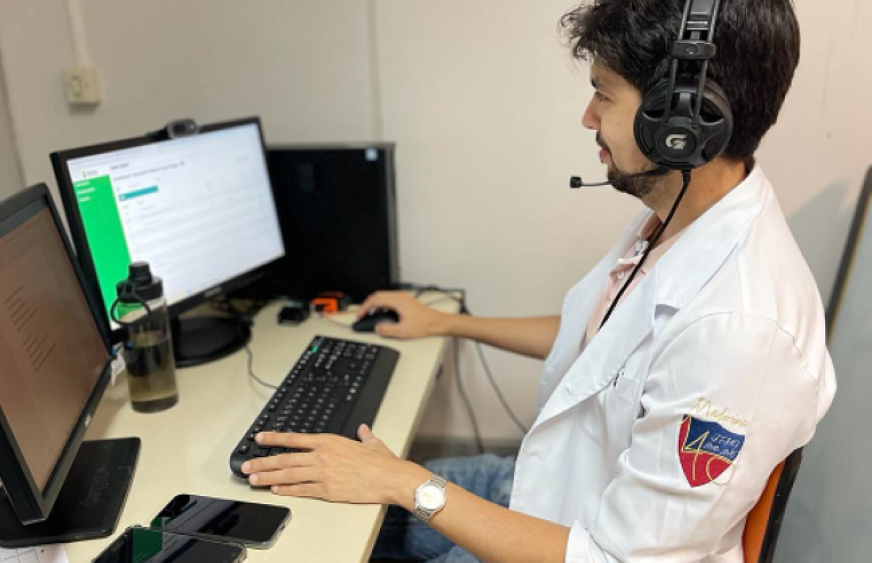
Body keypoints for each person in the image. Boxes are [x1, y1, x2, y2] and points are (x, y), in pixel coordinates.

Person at [240, 0, 837, 560]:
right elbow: (606, 340)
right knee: (316, 497)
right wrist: (446, 322)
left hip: (577, 543)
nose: (587, 117)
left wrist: (406, 482)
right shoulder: (680, 219)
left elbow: (611, 557)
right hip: (559, 492)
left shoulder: (739, 335)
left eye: (603, 95)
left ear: (682, 119)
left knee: (334, 526)